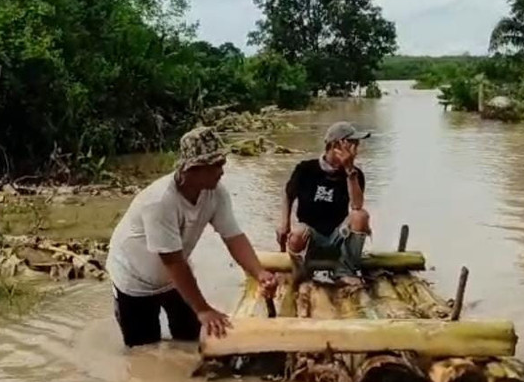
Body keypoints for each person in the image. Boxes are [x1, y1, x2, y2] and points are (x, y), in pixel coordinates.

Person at [106, 126, 278, 348]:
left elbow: (233, 236)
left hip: (173, 279)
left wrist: (259, 272)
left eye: (222, 164)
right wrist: (203, 309)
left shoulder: (216, 193)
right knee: (144, 350)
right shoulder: (160, 202)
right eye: (215, 165)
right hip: (135, 280)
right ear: (193, 168)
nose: (222, 171)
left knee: (191, 339)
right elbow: (172, 260)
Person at [276, 121, 372, 285]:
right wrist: (284, 223)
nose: (357, 148)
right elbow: (288, 194)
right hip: (311, 235)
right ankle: (301, 268)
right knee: (298, 234)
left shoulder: (355, 174)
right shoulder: (306, 169)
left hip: (338, 235)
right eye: (353, 143)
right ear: (336, 145)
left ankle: (345, 270)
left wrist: (349, 171)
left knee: (361, 216)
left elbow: (356, 206)